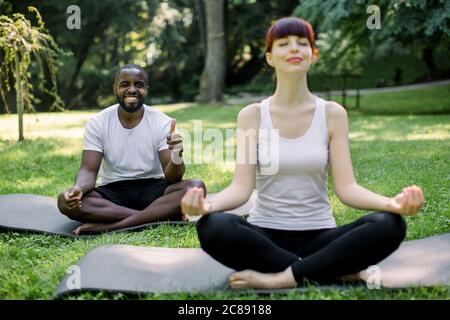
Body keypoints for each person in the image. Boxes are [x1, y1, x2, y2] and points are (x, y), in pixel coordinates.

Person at [181, 17, 425, 289]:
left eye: (302, 43)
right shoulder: (252, 116)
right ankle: (328, 270)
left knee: (389, 225)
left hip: (320, 236)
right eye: (284, 43)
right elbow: (240, 188)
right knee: (212, 226)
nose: (294, 49)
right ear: (270, 57)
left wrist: (392, 204)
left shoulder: (332, 114)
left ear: (313, 55)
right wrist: (206, 206)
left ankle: (283, 278)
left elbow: (347, 189)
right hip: (265, 236)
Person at [57, 64, 206, 235]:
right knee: (65, 202)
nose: (132, 89)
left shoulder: (162, 122)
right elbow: (88, 172)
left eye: (139, 85)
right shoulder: (97, 122)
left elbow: (173, 178)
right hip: (113, 193)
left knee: (196, 188)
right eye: (125, 84)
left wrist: (177, 154)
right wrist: (78, 188)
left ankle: (111, 227)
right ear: (115, 88)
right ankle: (159, 218)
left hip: (154, 191)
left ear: (146, 90)